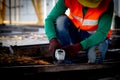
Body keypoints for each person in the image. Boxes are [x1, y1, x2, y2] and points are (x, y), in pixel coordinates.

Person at [44, 0, 114, 64]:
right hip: (76, 33)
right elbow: (50, 19)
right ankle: (65, 59)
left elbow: (102, 33)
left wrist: (80, 46)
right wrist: (52, 39)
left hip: (96, 38)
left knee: (95, 58)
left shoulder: (107, 2)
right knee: (60, 21)